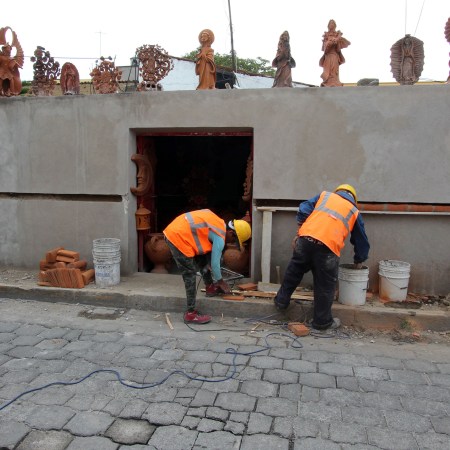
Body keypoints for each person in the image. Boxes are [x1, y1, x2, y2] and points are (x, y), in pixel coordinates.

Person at [274, 184, 370, 331]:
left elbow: (303, 208)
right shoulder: (353, 211)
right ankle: (322, 322)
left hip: (305, 240)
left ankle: (281, 301)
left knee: (294, 271)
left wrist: (300, 231)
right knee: (325, 285)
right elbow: (361, 240)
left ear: (338, 192)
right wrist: (359, 259)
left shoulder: (325, 196)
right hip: (327, 249)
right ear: (353, 199)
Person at [164, 209, 251, 324]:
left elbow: (204, 244)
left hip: (176, 229)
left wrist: (209, 262)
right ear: (231, 233)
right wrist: (220, 281)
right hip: (177, 236)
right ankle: (191, 314)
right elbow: (215, 265)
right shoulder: (220, 237)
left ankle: (210, 287)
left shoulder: (218, 223)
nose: (232, 243)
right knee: (189, 274)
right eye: (234, 240)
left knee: (202, 257)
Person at [319, 19, 350, 87]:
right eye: (330, 23)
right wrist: (332, 42)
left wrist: (337, 40)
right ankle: (327, 83)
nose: (331, 25)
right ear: (328, 25)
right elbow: (325, 48)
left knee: (334, 71)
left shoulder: (337, 35)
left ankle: (335, 82)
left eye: (333, 23)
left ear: (335, 25)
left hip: (334, 56)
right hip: (328, 56)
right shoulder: (326, 35)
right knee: (328, 71)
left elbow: (338, 49)